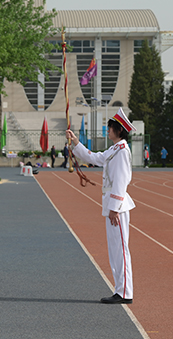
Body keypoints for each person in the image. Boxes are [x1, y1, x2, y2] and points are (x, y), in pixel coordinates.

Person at [65, 108, 136, 304]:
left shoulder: (122, 151)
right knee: (115, 250)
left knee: (120, 249)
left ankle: (124, 292)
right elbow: (94, 158)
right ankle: (120, 290)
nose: (108, 130)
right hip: (113, 206)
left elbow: (121, 181)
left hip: (117, 208)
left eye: (110, 127)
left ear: (119, 130)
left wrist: (114, 208)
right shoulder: (114, 150)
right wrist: (76, 142)